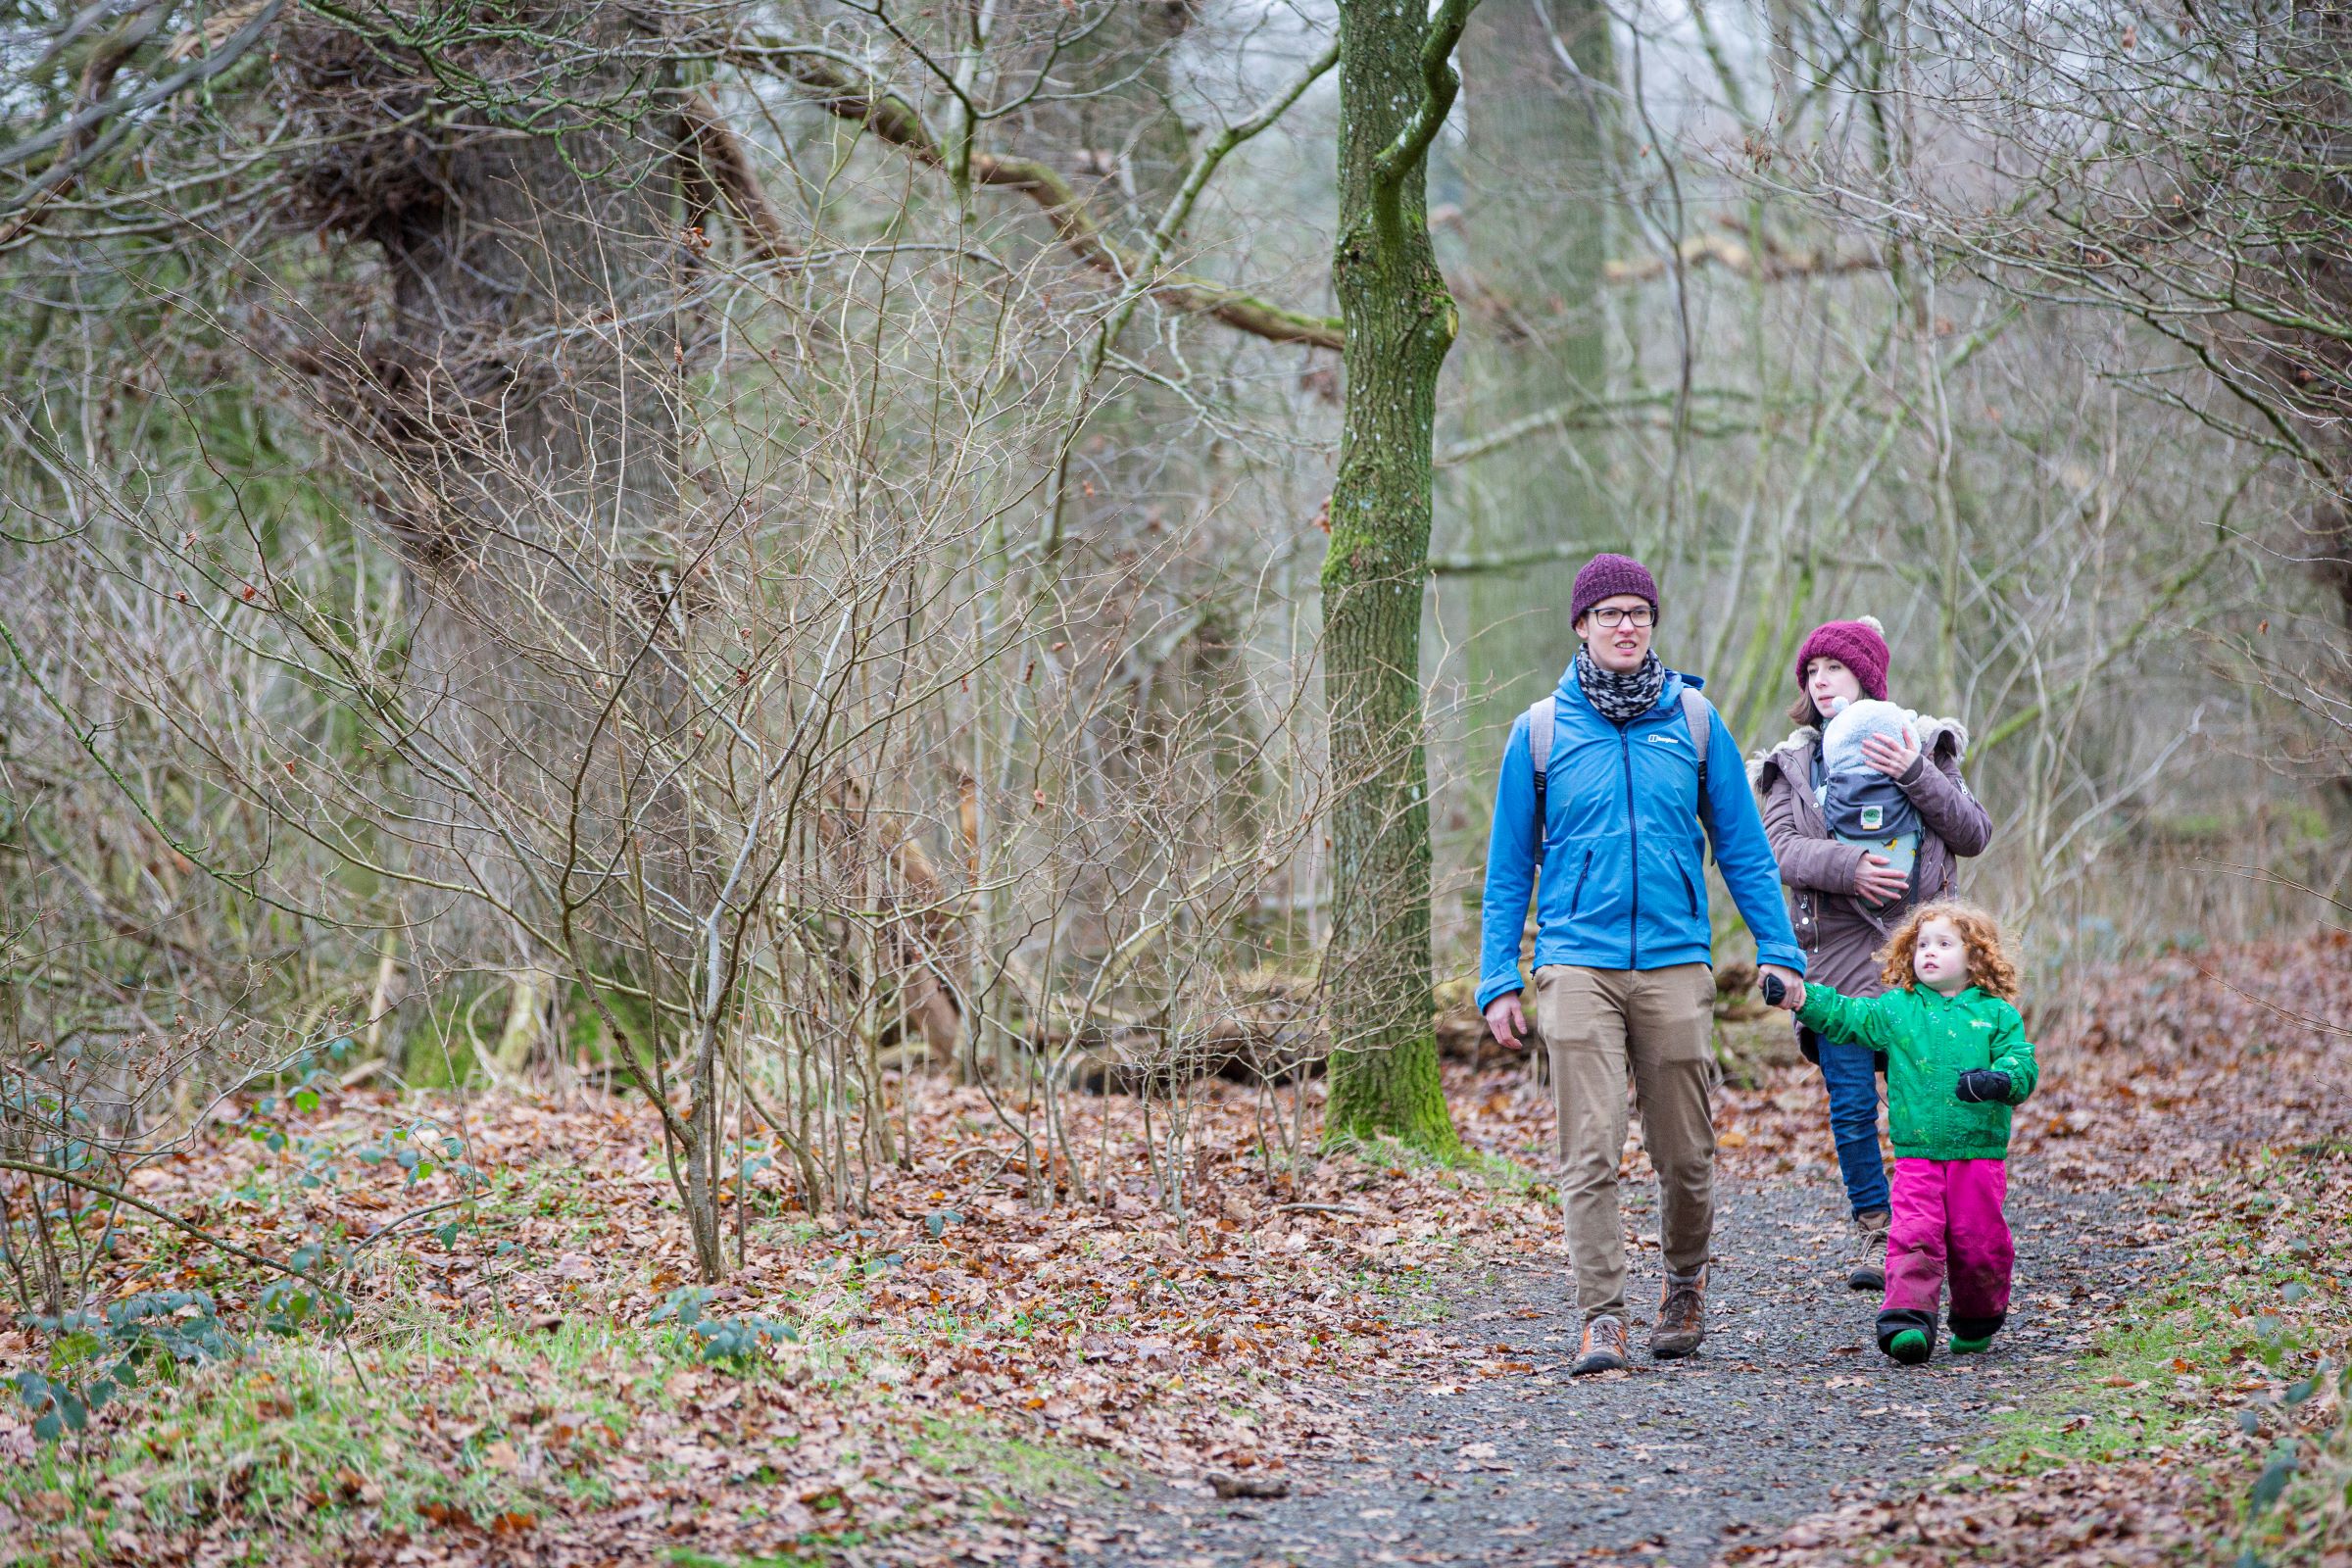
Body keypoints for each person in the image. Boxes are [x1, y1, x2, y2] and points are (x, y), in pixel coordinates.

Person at [1478, 553, 1807, 1376]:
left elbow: (1743, 848)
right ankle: (1602, 1318)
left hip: (1673, 964)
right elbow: (1508, 867)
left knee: (1685, 1155)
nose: (1627, 626)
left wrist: (1781, 949)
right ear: (1581, 627)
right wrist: (1497, 978)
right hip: (1575, 963)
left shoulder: (1693, 722)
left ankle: (1684, 1284)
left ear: (1653, 626)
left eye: (1640, 613)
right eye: (1610, 614)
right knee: (1589, 1152)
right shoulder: (1542, 731)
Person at [1749, 617, 1991, 1293]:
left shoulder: (1924, 744)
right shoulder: (1791, 764)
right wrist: (1849, 866)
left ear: (1868, 677)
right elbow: (1778, 853)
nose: (1821, 681)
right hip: (1834, 967)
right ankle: (1876, 1229)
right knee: (1852, 1106)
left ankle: (1934, 1227)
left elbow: (1973, 833)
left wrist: (1913, 772)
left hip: (1923, 962)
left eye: (1835, 668)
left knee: (1928, 1105)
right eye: (1812, 672)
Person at [1769, 902, 2038, 1364]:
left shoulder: (1997, 1015)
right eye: (1922, 944)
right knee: (1914, 1234)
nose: (1929, 952)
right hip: (1917, 1155)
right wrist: (1801, 998)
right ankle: (1907, 1320)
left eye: (1944, 944)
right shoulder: (1897, 1009)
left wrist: (2000, 1079)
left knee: (1979, 1244)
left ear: (1976, 958)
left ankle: (1976, 1319)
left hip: (1978, 1154)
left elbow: (2021, 1062)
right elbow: (1848, 1016)